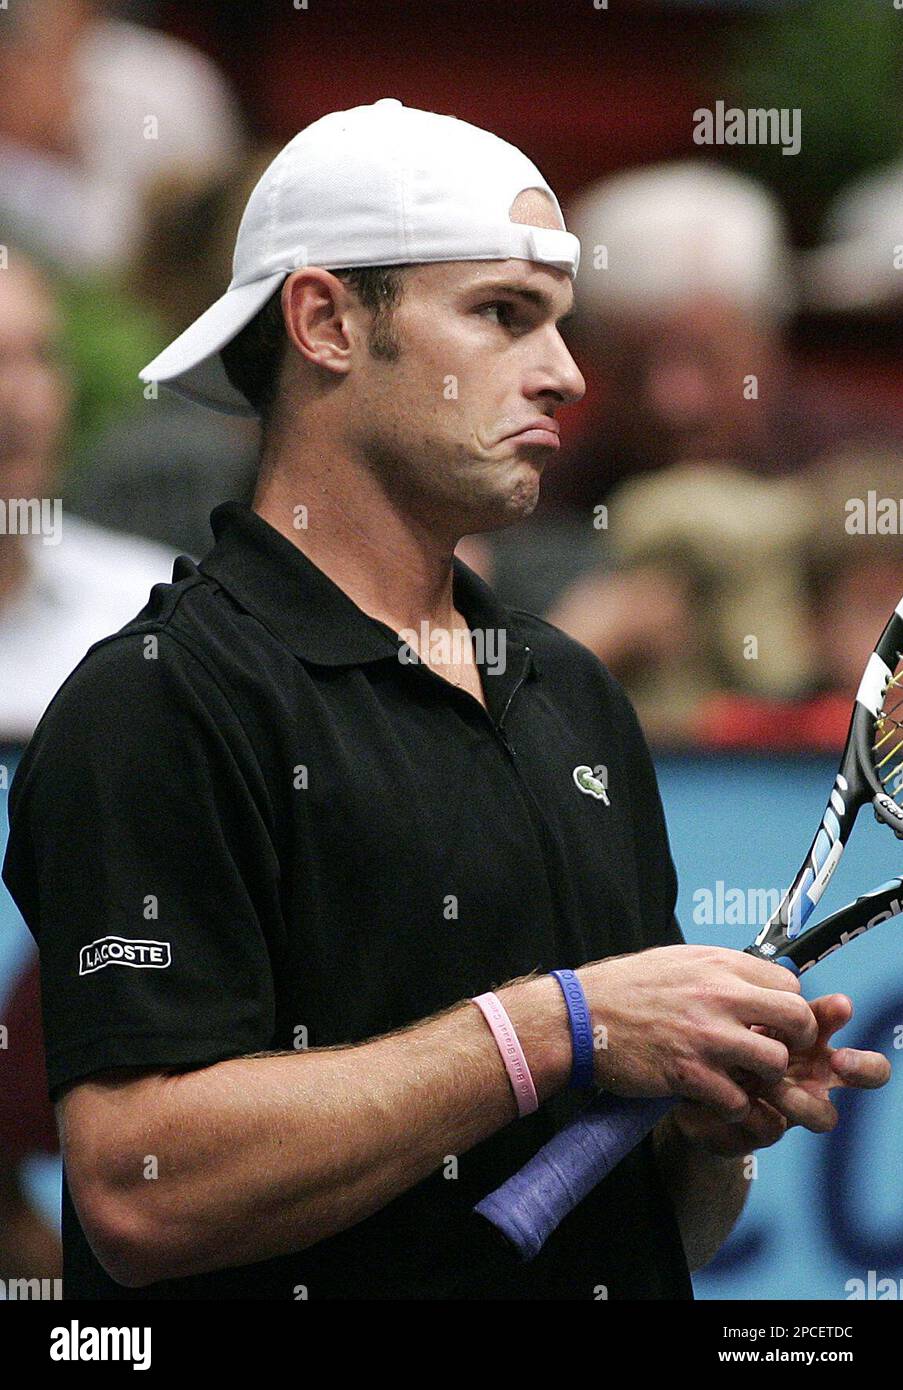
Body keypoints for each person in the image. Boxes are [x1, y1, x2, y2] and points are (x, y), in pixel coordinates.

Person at [2, 100, 889, 1301]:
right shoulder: (157, 703)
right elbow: (140, 1191)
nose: (567, 374)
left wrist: (702, 1125)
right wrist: (559, 1028)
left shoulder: (571, 688)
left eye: (559, 324)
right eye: (502, 314)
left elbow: (637, 1235)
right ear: (324, 322)